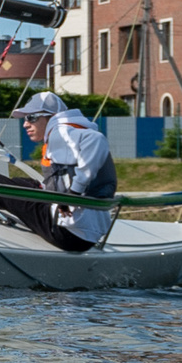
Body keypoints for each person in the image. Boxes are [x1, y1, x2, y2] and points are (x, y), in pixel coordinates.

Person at [7, 91, 117, 252]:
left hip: (67, 230)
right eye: (25, 119)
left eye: (31, 117)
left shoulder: (61, 132)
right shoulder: (69, 130)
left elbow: (96, 139)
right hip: (87, 231)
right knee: (20, 183)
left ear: (51, 116)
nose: (25, 124)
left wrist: (73, 194)